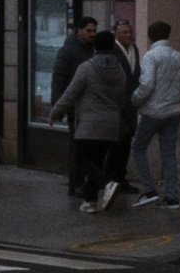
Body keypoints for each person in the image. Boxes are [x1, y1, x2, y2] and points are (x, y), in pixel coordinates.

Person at [50, 28, 132, 211]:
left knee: (79, 160)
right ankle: (90, 202)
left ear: (95, 47)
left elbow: (70, 94)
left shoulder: (87, 67)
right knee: (96, 162)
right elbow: (122, 98)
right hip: (111, 124)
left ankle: (107, 184)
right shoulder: (120, 70)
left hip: (89, 125)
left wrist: (55, 112)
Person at [129, 19, 180, 208]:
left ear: (150, 37)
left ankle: (149, 190)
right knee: (169, 154)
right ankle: (172, 196)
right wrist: (173, 100)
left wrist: (134, 100)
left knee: (138, 148)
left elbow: (147, 85)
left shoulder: (151, 56)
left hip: (153, 111)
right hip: (173, 111)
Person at [51, 15, 99, 195]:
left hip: (90, 106)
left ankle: (82, 182)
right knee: (77, 146)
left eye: (94, 31)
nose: (92, 34)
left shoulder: (92, 50)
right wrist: (58, 106)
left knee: (86, 147)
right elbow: (59, 78)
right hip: (75, 107)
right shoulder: (68, 51)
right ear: (79, 31)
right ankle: (76, 183)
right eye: (88, 30)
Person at [108, 18, 141, 188]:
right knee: (118, 141)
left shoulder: (134, 50)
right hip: (116, 103)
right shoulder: (112, 50)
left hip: (131, 104)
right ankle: (112, 177)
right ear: (116, 34)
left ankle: (121, 177)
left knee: (126, 141)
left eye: (130, 32)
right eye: (124, 32)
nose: (128, 35)